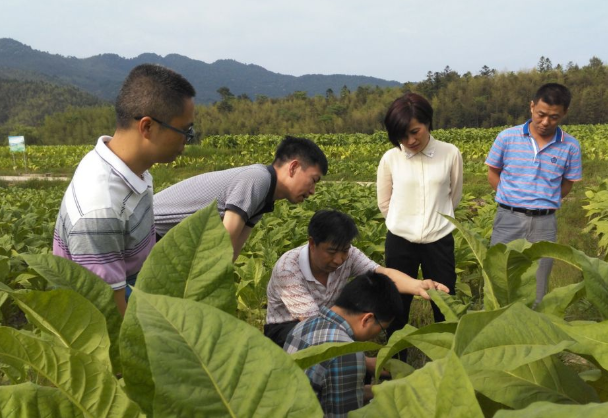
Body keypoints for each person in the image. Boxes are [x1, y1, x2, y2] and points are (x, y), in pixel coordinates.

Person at [53, 64, 196, 315]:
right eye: (185, 131)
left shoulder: (129, 167)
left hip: (136, 290)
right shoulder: (100, 211)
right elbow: (111, 316)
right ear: (147, 127)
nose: (188, 139)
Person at [265, 209, 449, 348]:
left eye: (344, 251)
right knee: (333, 351)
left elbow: (382, 273)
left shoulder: (349, 255)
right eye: (331, 252)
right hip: (286, 328)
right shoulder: (288, 268)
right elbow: (314, 327)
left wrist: (417, 285)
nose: (339, 260)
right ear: (312, 243)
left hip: (325, 322)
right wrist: (364, 362)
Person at [153, 136, 328, 261]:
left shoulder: (266, 197)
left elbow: (232, 253)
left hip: (165, 241)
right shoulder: (258, 179)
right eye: (313, 180)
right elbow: (224, 241)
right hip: (145, 231)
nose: (313, 191)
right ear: (294, 167)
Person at [485, 83, 582, 307]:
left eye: (554, 117)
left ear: (564, 113)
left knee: (538, 286)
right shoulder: (507, 138)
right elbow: (493, 172)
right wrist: (511, 198)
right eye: (541, 115)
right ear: (531, 107)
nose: (546, 122)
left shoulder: (570, 146)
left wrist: (545, 200)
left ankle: (530, 334)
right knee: (500, 280)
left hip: (544, 223)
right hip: (508, 219)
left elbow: (568, 183)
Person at [377, 93, 463, 341]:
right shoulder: (391, 158)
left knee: (444, 303)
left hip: (439, 241)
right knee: (397, 304)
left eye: (415, 131)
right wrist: (402, 223)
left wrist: (435, 223)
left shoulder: (450, 153)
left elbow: (453, 196)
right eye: (402, 136)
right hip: (400, 241)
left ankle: (446, 361)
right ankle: (396, 362)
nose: (410, 140)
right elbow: (385, 202)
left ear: (428, 123)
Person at [284, 271, 403, 417]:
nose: (377, 335)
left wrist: (378, 390)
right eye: (381, 329)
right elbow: (344, 414)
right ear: (367, 319)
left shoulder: (303, 325)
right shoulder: (347, 352)